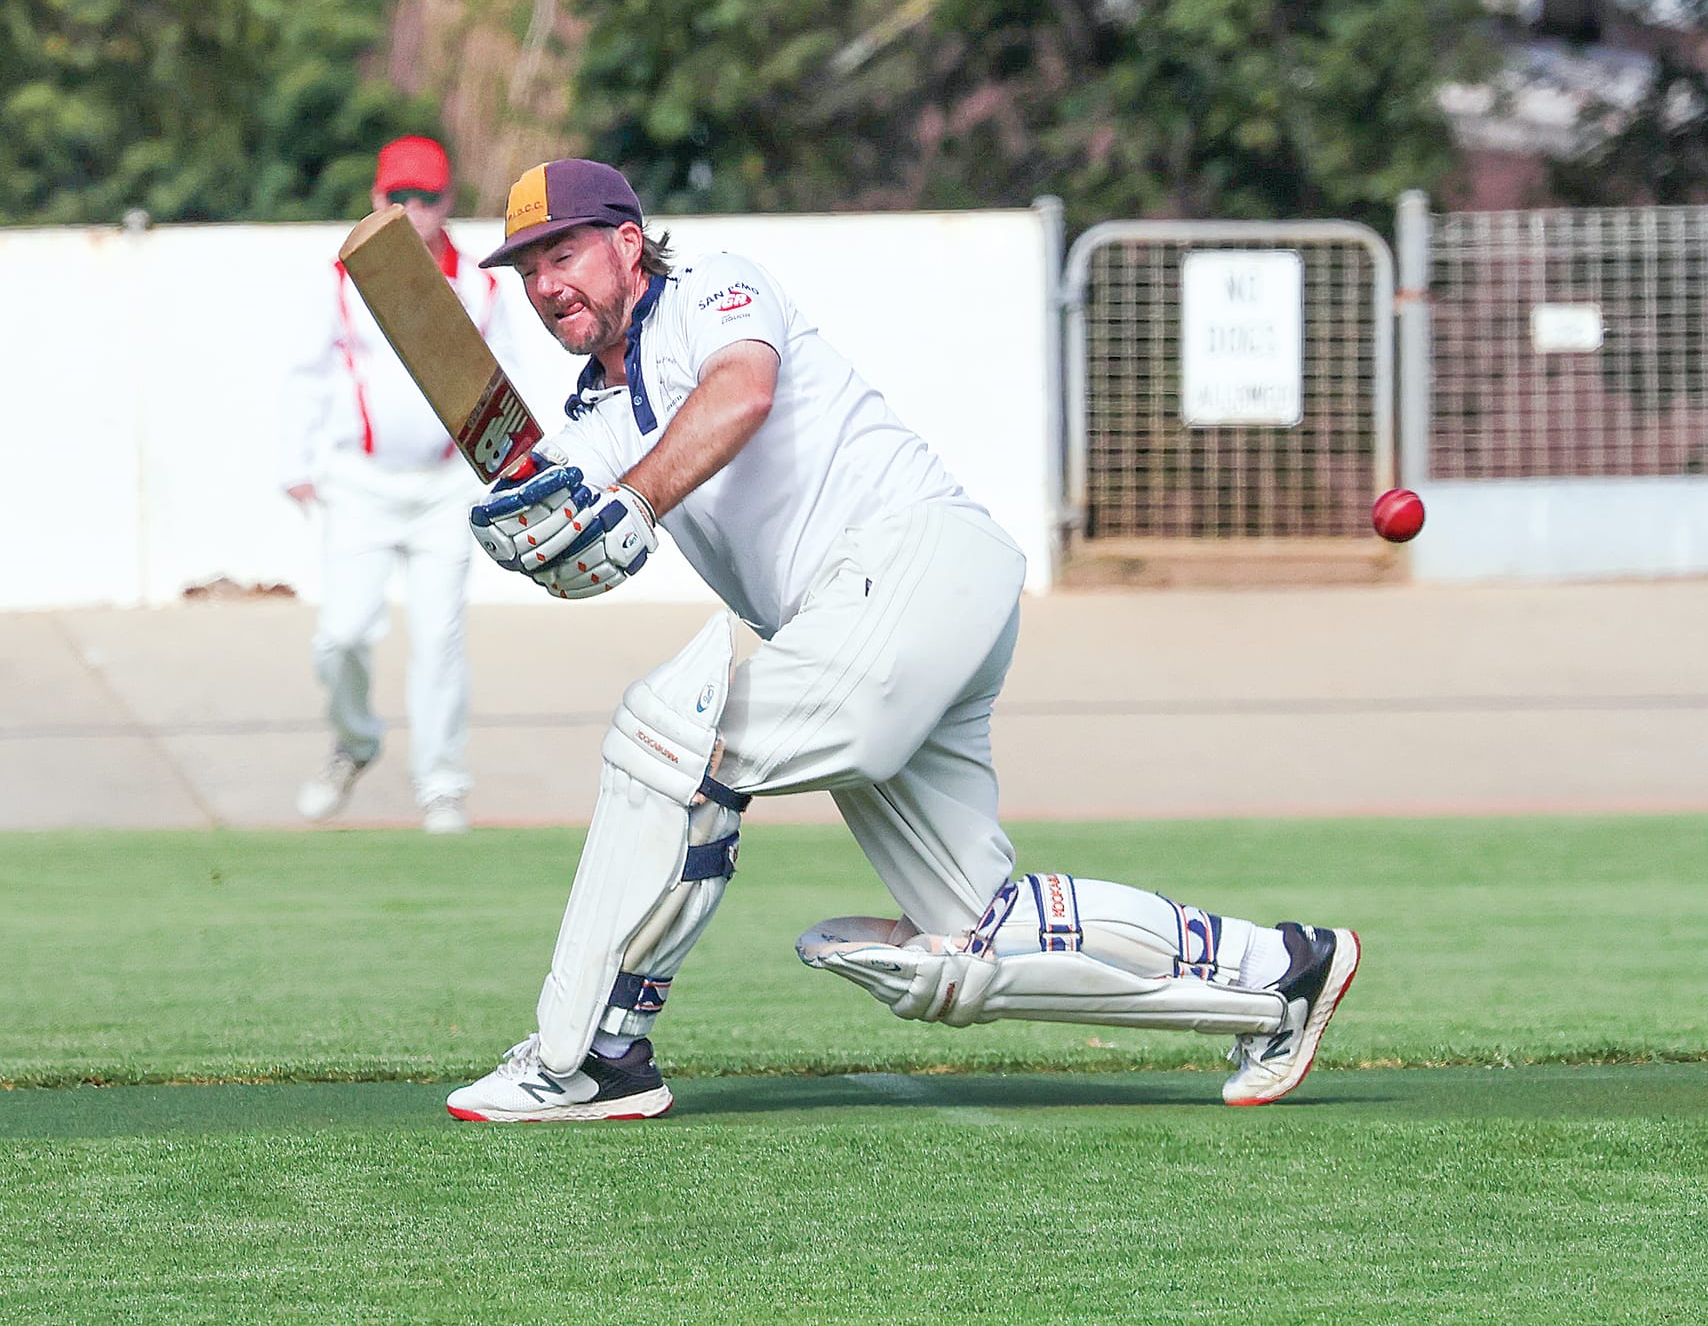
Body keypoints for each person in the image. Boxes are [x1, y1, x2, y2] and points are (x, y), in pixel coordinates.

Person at [443, 159, 1360, 1122]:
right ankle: (1285, 971)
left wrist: (630, 501)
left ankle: (595, 1051)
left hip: (909, 562)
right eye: (528, 269)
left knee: (674, 743)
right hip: (875, 623)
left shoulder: (713, 286)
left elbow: (742, 392)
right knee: (976, 932)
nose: (548, 285)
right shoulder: (590, 417)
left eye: (564, 252)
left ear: (627, 242)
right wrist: (544, 539)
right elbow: (589, 532)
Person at [278, 136, 509, 836]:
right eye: (395, 197)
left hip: (446, 487)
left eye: (425, 198)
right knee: (340, 635)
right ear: (377, 201)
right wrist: (296, 462)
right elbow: (306, 370)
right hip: (359, 482)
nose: (410, 211)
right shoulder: (341, 279)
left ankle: (441, 781)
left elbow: (510, 385)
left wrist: (511, 474)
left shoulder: (482, 285)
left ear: (446, 203)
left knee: (439, 640)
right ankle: (355, 739)